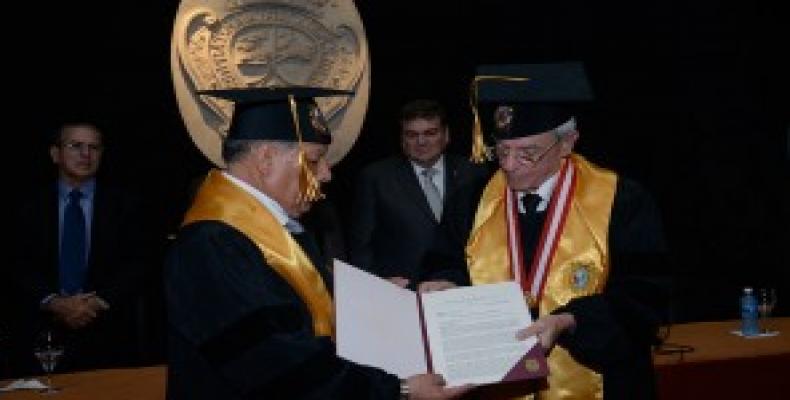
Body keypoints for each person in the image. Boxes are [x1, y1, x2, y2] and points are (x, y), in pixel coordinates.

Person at [164, 87, 470, 400]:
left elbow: (295, 309)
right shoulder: (212, 244)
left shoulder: (270, 232)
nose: (325, 175)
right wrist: (401, 389)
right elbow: (278, 366)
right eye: (314, 160)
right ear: (266, 159)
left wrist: (375, 299)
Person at [420, 62, 669, 399]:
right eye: (502, 150)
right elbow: (447, 262)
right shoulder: (473, 200)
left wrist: (569, 321)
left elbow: (644, 299)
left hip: (601, 384)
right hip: (491, 382)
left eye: (528, 154)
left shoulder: (620, 200)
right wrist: (446, 284)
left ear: (567, 143)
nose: (508, 166)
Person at [10, 120, 152, 374]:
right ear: (55, 154)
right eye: (76, 146)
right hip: (40, 336)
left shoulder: (126, 204)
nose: (86, 155)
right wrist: (54, 302)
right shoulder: (26, 205)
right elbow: (15, 263)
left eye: (94, 148)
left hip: (109, 335)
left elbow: (140, 263)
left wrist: (95, 303)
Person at [348, 99, 485, 285]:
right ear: (402, 139)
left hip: (460, 288)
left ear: (446, 135)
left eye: (430, 133)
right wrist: (375, 285)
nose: (421, 142)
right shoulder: (376, 178)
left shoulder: (473, 174)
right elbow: (361, 247)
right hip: (402, 291)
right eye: (412, 135)